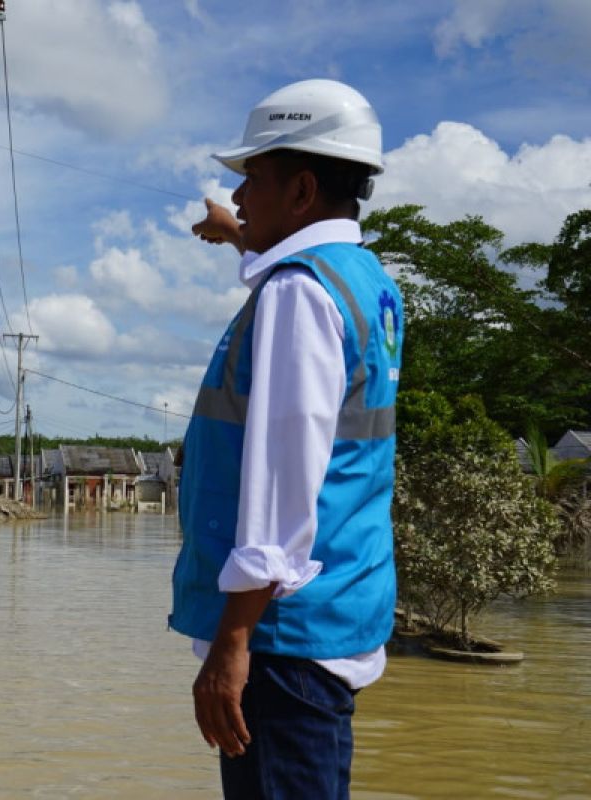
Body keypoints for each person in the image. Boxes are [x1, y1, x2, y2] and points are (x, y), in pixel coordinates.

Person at [169, 79, 403, 799]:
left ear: (301, 191)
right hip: (330, 615)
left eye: (253, 181)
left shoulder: (297, 294)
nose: (238, 198)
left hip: (278, 642)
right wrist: (240, 237)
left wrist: (234, 642)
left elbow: (284, 480)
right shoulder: (362, 280)